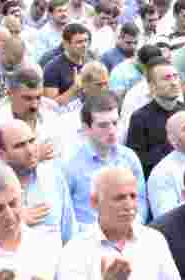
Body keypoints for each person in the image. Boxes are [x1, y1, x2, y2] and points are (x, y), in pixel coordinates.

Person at [60, 92, 147, 226]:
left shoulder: (129, 157)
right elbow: (66, 215)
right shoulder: (70, 166)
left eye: (114, 123)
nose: (112, 130)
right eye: (103, 125)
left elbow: (140, 200)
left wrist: (135, 225)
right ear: (86, 128)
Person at [126, 61, 185, 178]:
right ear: (152, 86)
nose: (173, 82)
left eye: (175, 76)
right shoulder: (140, 118)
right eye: (167, 78)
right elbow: (135, 161)